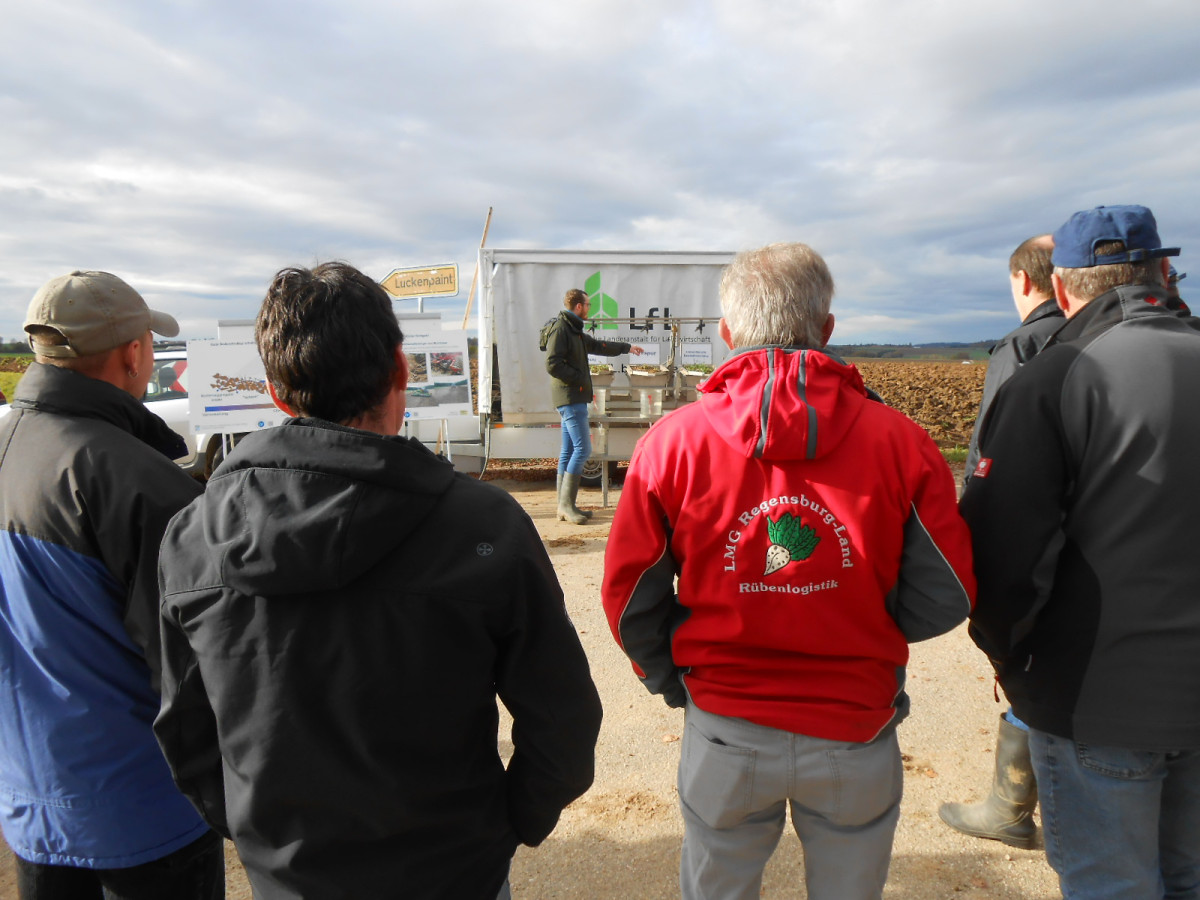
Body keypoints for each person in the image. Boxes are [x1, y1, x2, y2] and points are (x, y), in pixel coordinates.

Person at [155, 262, 603, 900]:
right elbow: (563, 719)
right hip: (454, 869)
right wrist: (508, 823)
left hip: (290, 876)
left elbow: (183, 729)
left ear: (277, 395)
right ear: (400, 372)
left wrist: (259, 835)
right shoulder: (482, 523)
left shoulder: (192, 537)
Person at [601, 242, 976, 900]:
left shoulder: (671, 445)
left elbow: (630, 599)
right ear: (827, 328)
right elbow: (948, 592)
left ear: (726, 333)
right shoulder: (902, 443)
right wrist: (862, 628)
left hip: (725, 726)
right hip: (856, 728)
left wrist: (675, 680)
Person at [961, 205, 1200, 899]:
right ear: (1163, 269)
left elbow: (1003, 555)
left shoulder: (1053, 378)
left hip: (1098, 697)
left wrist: (1007, 654)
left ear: (1061, 290)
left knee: (1110, 884)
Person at [0, 271, 223, 898]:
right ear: (133, 353)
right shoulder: (137, 481)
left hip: (32, 804)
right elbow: (197, 663)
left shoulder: (7, 448)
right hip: (144, 812)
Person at [940, 234, 1062, 848]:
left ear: (1021, 280)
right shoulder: (1102, 337)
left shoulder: (1025, 346)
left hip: (1038, 534)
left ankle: (1012, 805)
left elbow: (995, 457)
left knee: (1028, 656)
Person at [540, 287, 643, 524]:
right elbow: (552, 364)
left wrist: (627, 348)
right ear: (578, 306)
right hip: (570, 398)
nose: (589, 309)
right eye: (587, 305)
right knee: (583, 450)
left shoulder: (573, 329)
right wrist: (578, 378)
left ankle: (564, 506)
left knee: (568, 451)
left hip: (573, 397)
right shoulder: (562, 329)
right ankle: (566, 505)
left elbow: (598, 346)